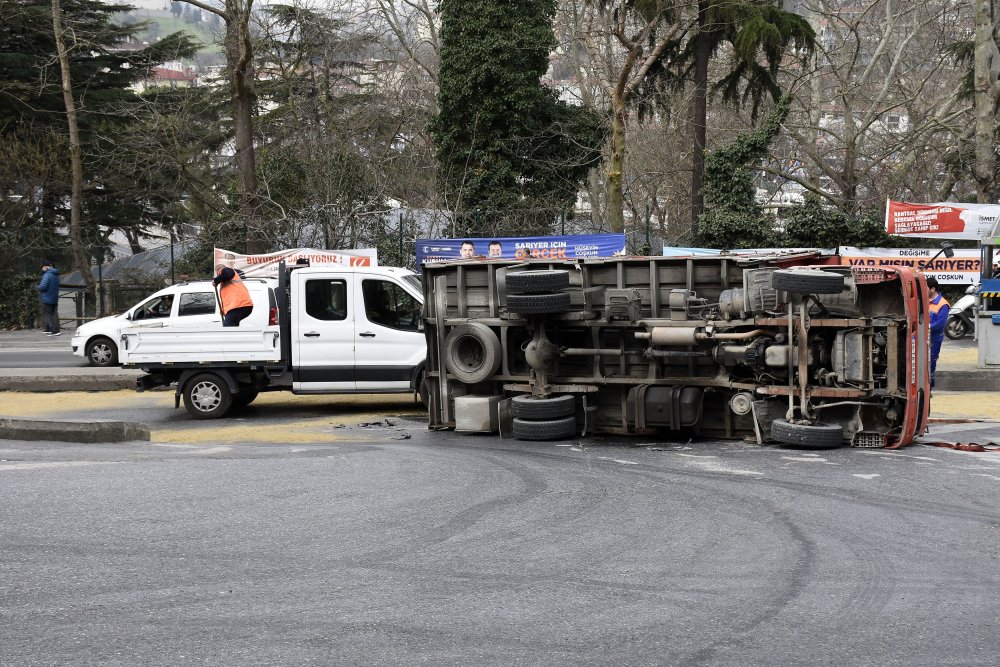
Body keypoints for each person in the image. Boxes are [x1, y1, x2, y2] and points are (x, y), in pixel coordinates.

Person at [926, 276, 950, 389]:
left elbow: (940, 323)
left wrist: (926, 328)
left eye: (925, 288)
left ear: (932, 289)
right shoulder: (924, 300)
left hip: (934, 339)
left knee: (931, 362)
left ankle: (929, 388)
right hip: (923, 336)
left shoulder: (942, 304)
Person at [36, 259, 61, 336]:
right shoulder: (55, 274)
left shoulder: (47, 275)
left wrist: (37, 287)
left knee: (49, 314)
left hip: (47, 298)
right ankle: (48, 328)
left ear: (46, 267)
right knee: (51, 313)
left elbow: (43, 287)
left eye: (42, 267)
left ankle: (55, 330)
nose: (41, 268)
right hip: (54, 297)